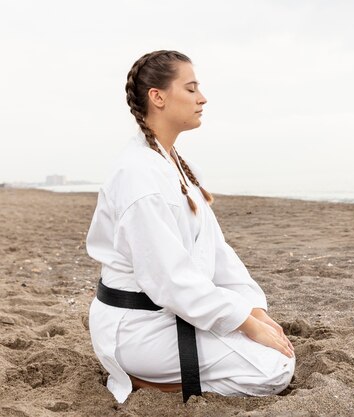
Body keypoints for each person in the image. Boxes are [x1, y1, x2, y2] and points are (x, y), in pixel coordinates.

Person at [86, 50, 295, 404]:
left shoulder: (175, 164)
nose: (203, 98)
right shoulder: (139, 176)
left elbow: (217, 252)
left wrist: (253, 311)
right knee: (273, 369)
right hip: (138, 328)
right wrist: (243, 323)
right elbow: (170, 278)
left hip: (170, 310)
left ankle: (173, 370)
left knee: (270, 341)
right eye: (192, 88)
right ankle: (145, 379)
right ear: (158, 97)